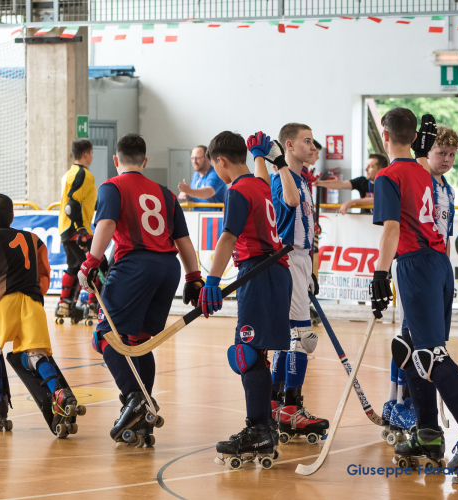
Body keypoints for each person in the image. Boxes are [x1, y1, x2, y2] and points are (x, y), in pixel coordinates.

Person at [370, 108, 458, 470]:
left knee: (431, 354)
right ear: (415, 140)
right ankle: (427, 432)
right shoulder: (428, 175)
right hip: (440, 264)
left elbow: (391, 229)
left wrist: (380, 272)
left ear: (385, 136)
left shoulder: (388, 175)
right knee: (407, 349)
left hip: (415, 264)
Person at [78, 133, 202, 447]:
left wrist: (90, 262)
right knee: (140, 341)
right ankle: (142, 415)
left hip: (134, 267)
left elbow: (105, 224)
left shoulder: (112, 186)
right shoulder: (165, 193)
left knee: (105, 335)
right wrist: (194, 278)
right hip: (168, 269)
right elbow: (183, 241)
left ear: (116, 160)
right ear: (145, 162)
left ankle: (135, 400)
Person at [198, 131, 291, 465]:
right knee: (254, 353)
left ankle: (259, 429)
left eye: (215, 166)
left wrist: (212, 280)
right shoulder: (260, 186)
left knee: (246, 351)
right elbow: (261, 179)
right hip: (274, 271)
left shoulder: (237, 189)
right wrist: (261, 156)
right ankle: (263, 426)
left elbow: (227, 236)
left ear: (220, 161)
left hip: (259, 271)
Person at [0, 194, 78, 431]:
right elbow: (43, 277)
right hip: (33, 304)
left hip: (4, 305)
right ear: (12, 216)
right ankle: (58, 392)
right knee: (34, 354)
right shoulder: (34, 239)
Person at [250, 125, 329, 443]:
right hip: (288, 259)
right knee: (302, 338)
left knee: (291, 338)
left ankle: (276, 402)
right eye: (307, 141)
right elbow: (285, 201)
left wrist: (311, 271)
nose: (314, 147)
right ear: (289, 145)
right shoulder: (285, 180)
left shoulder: (301, 180)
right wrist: (267, 160)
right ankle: (290, 409)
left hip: (300, 262)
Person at [385, 127, 458, 440]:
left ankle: (418, 408)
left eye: (452, 155)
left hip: (437, 267)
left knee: (432, 344)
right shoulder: (418, 180)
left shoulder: (450, 190)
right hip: (412, 266)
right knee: (408, 338)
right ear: (426, 152)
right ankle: (399, 402)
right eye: (441, 153)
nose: (446, 160)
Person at [57, 139, 99, 323]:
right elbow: (72, 204)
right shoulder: (84, 175)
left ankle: (65, 305)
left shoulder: (68, 174)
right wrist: (82, 230)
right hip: (77, 230)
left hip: (65, 229)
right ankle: (92, 307)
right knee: (93, 266)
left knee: (74, 267)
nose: (92, 158)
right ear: (86, 154)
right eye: (91, 154)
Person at [314, 154, 389, 214]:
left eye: (370, 166)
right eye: (366, 165)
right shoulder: (362, 181)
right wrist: (320, 183)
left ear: (381, 170)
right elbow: (341, 184)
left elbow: (377, 199)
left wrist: (351, 202)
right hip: (365, 221)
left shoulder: (388, 184)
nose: (366, 169)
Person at [178, 145, 228, 211]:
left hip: (214, 218)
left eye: (197, 158)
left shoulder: (216, 174)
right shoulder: (196, 175)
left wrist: (189, 191)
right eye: (192, 158)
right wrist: (186, 195)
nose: (194, 161)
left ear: (207, 158)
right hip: (198, 217)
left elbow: (209, 192)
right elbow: (196, 197)